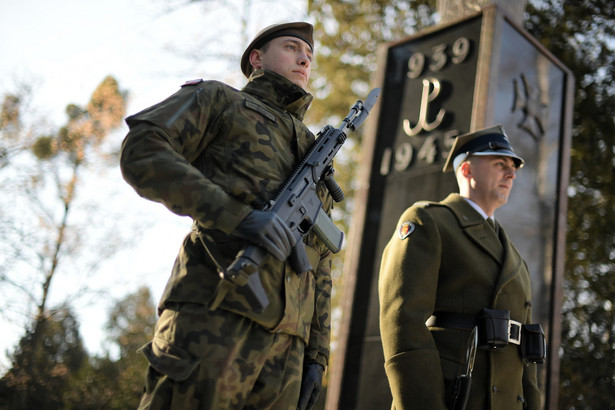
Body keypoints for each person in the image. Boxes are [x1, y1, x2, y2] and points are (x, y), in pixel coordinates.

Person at [120, 22, 331, 410]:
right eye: (291, 47)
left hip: (287, 353)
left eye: (309, 54)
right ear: (257, 58)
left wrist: (317, 354)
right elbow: (143, 150)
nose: (304, 58)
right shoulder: (220, 101)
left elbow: (319, 258)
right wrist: (236, 217)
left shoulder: (312, 150)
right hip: (213, 320)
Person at [378, 125, 544, 409]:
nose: (511, 173)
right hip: (455, 397)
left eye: (513, 167)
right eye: (500, 164)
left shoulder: (513, 254)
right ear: (466, 170)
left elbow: (526, 350)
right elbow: (404, 323)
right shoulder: (430, 221)